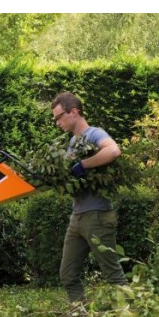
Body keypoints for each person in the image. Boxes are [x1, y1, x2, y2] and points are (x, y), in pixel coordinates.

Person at [51, 91, 127, 303]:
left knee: (113, 275)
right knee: (67, 275)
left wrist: (83, 165)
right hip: (77, 216)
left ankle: (133, 315)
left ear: (74, 112)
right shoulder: (72, 142)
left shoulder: (94, 134)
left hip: (97, 215)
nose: (57, 123)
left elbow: (113, 151)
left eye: (59, 117)